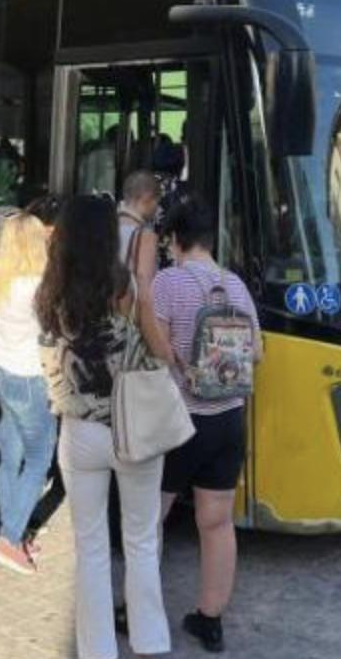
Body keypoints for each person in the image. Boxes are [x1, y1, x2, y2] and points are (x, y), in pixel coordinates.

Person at [38, 195, 171, 659]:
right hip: (134, 427)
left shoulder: (50, 295)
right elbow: (158, 352)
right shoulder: (128, 290)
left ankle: (96, 651)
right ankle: (150, 642)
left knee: (90, 547)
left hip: (79, 432)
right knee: (140, 538)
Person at [139, 195, 259, 654]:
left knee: (151, 518)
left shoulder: (169, 283)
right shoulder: (236, 286)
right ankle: (210, 619)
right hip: (229, 420)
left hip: (180, 420)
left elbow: (158, 345)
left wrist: (178, 362)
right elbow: (258, 353)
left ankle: (139, 609)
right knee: (216, 521)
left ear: (176, 239)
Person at [0, 212, 55, 575]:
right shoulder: (41, 285)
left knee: (8, 458)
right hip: (31, 378)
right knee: (39, 459)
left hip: (2, 373)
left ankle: (12, 527)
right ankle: (10, 539)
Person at [118, 170, 162, 298]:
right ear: (147, 197)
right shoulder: (145, 237)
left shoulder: (104, 228)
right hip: (131, 312)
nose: (157, 209)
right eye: (157, 202)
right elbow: (145, 289)